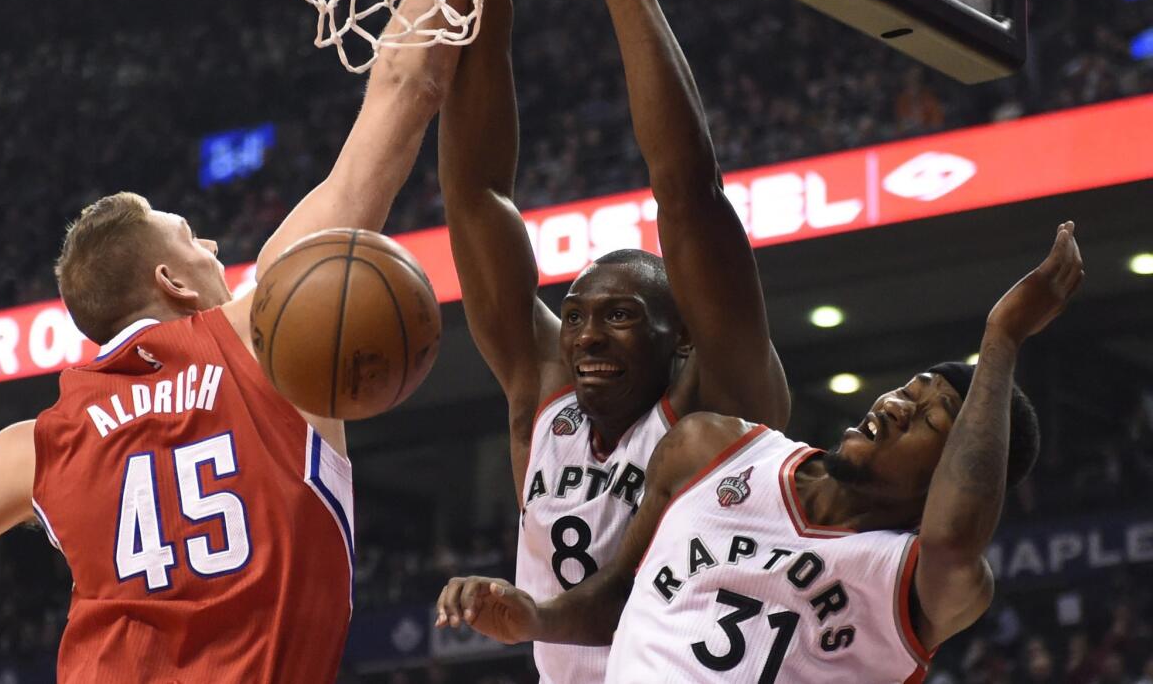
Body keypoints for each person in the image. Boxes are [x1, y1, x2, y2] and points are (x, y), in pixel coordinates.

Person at [0, 0, 533, 683]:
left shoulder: (38, 442)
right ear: (171, 280)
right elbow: (407, 88)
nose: (218, 247)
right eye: (194, 237)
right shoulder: (272, 331)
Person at [436, 224, 1084, 683]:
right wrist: (535, 615)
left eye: (926, 416)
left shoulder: (911, 579)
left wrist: (1001, 338)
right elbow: (616, 597)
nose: (894, 405)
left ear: (947, 472)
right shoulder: (719, 450)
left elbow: (954, 539)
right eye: (905, 390)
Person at [437, 0, 791, 683]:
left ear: (682, 339)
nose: (587, 335)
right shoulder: (544, 393)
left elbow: (689, 191)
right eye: (577, 316)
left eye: (622, 315)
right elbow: (476, 192)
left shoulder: (717, 401)